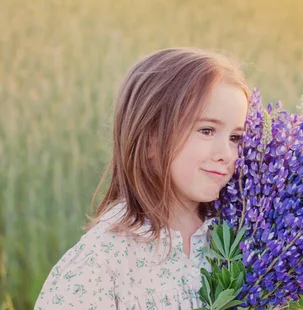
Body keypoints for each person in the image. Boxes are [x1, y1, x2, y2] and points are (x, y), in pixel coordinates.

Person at [34, 47, 250, 309]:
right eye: (206, 130)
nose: (225, 153)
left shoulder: (235, 237)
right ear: (150, 140)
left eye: (235, 137)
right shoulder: (104, 259)